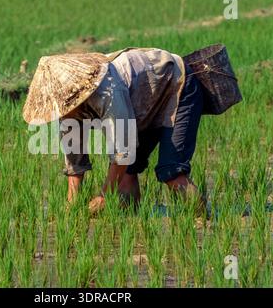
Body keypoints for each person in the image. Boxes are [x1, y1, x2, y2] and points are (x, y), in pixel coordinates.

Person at [23, 47, 205, 215]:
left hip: (176, 84)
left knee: (171, 172)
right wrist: (72, 204)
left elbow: (123, 151)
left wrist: (104, 196)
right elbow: (74, 160)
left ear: (74, 94)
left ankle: (203, 220)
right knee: (126, 174)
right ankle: (132, 223)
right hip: (142, 100)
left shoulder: (107, 92)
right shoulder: (66, 108)